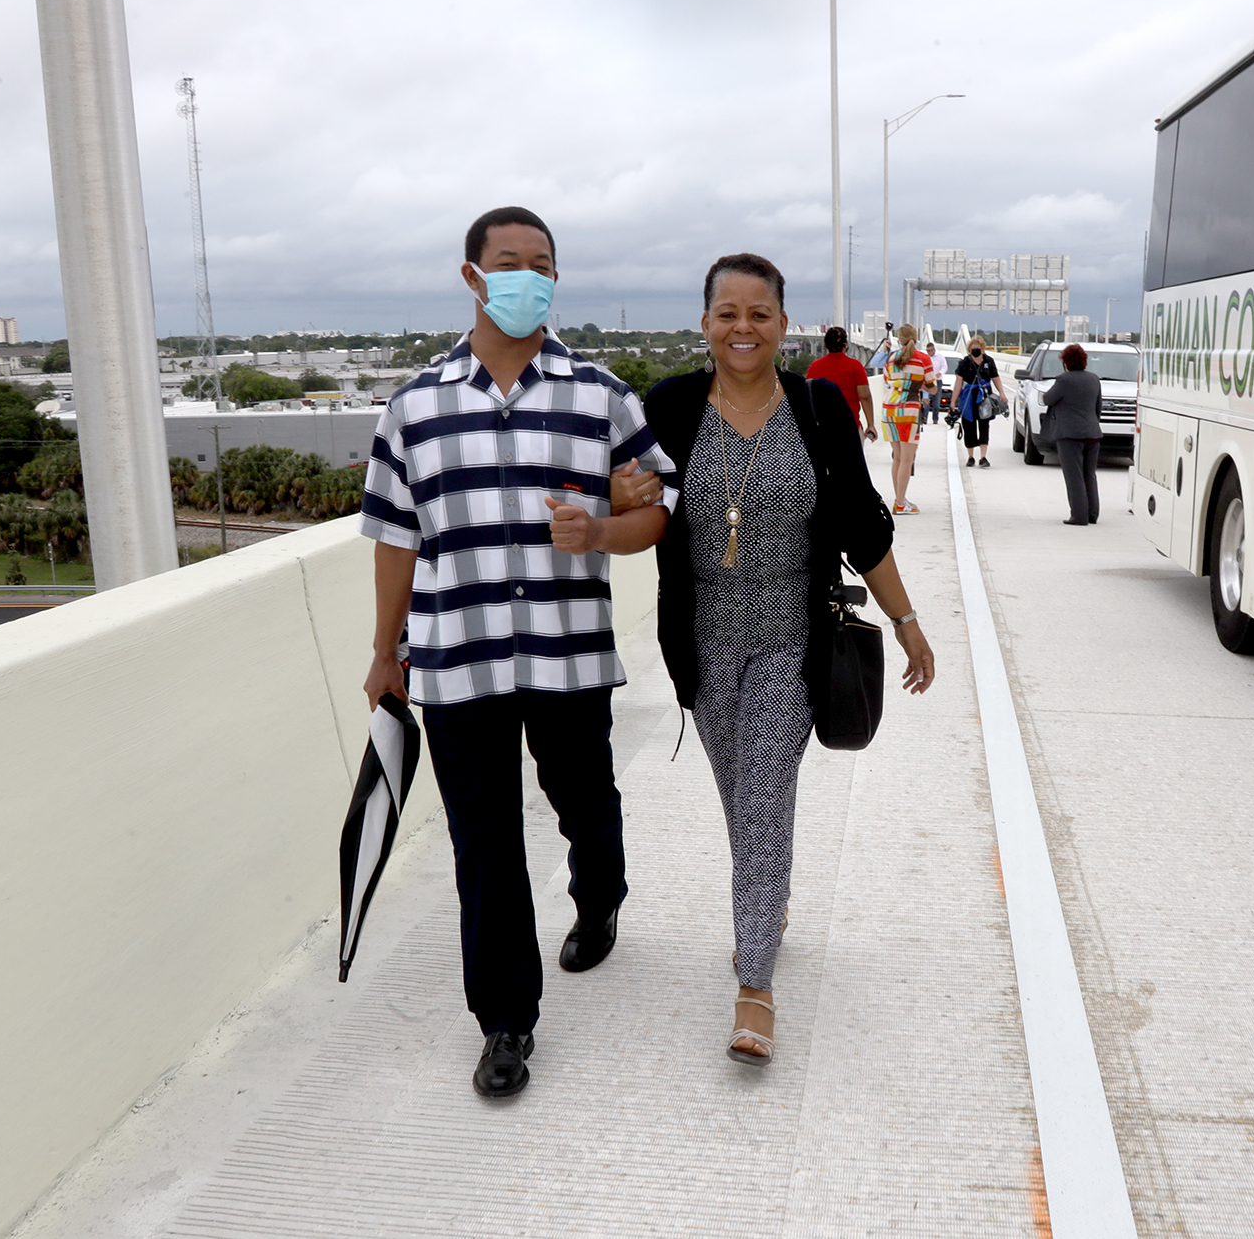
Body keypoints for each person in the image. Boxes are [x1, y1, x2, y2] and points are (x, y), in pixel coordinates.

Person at [360, 206, 677, 1101]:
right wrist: (385, 651)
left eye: (542, 263)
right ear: (472, 275)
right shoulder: (415, 406)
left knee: (584, 800)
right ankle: (506, 1020)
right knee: (484, 843)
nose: (526, 276)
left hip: (568, 655)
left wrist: (604, 530)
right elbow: (393, 538)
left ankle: (600, 892)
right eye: (509, 262)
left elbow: (658, 511)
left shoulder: (601, 395)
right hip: (458, 659)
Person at [633, 253, 935, 1067]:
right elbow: (634, 500)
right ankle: (768, 904)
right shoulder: (667, 407)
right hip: (701, 645)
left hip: (790, 643)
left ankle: (755, 983)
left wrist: (906, 620)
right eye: (726, 313)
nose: (742, 328)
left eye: (759, 314)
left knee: (765, 794)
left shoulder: (818, 406)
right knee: (744, 802)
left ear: (782, 323)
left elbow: (861, 525)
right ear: (704, 323)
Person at [1044, 342, 1104, 525]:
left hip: (1070, 435)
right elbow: (1098, 407)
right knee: (1089, 474)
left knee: (1074, 476)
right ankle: (1092, 514)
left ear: (1066, 362)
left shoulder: (1064, 379)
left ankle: (1079, 516)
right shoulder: (1094, 379)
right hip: (1093, 433)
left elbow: (1048, 399)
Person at [880, 324, 933, 513]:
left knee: (897, 457)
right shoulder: (923, 358)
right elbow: (932, 387)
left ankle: (899, 499)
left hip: (889, 408)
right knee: (907, 459)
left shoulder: (891, 358)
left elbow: (888, 381)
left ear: (898, 339)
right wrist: (918, 385)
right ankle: (900, 503)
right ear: (916, 337)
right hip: (909, 411)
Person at [804, 326, 877, 439]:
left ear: (826, 345)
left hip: (823, 429)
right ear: (845, 345)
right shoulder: (855, 366)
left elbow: (807, 396)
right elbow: (864, 396)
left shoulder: (815, 367)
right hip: (850, 427)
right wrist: (870, 424)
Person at [954, 336, 1008, 467]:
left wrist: (1001, 392)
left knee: (984, 424)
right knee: (968, 424)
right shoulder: (964, 363)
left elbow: (995, 378)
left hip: (984, 396)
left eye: (978, 348)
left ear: (982, 348)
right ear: (969, 349)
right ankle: (971, 456)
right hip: (969, 396)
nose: (976, 351)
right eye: (973, 349)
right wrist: (953, 401)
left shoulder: (989, 361)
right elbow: (958, 383)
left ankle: (983, 457)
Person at [923, 340, 948, 426]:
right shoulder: (926, 357)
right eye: (927, 351)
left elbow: (945, 366)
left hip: (938, 381)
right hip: (928, 381)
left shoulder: (940, 357)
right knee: (926, 400)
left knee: (936, 402)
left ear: (934, 350)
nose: (929, 352)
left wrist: (940, 373)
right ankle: (924, 418)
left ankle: (935, 419)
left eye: (930, 350)